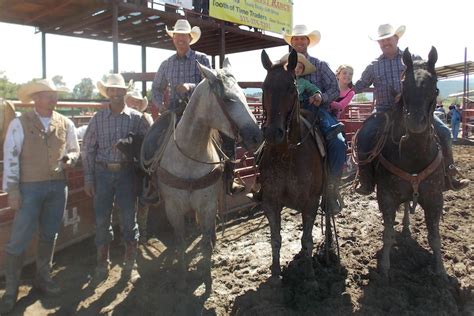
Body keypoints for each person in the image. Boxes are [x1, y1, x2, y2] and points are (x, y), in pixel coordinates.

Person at [352, 24, 469, 194]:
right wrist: (344, 87)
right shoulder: (374, 66)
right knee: (364, 135)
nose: (385, 43)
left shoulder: (415, 60)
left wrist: (407, 96)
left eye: (388, 39)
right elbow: (361, 85)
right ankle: (366, 180)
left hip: (413, 109)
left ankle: (450, 174)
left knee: (443, 132)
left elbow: (424, 82)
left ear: (396, 39)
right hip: (384, 110)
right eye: (381, 41)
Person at [0, 79, 80, 313]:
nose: (53, 99)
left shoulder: (66, 123)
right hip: (29, 188)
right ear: (35, 98)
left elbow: (74, 149)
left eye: (54, 95)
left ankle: (43, 277)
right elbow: (11, 157)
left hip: (57, 187)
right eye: (47, 95)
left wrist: (71, 159)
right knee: (19, 238)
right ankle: (12, 289)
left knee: (49, 234)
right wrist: (12, 191)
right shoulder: (19, 123)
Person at [151, 19, 244, 194]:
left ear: (189, 38)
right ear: (173, 38)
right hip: (174, 112)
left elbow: (211, 84)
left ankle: (229, 179)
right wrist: (161, 106)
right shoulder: (166, 64)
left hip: (202, 112)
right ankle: (152, 181)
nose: (180, 38)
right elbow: (156, 88)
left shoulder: (201, 59)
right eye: (177, 35)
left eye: (183, 35)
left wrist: (190, 86)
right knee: (154, 138)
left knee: (228, 137)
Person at [81, 74, 150, 284]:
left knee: (129, 219)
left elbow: (147, 145)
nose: (115, 93)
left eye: (118, 90)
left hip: (126, 173)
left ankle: (130, 264)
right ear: (107, 93)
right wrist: (88, 178)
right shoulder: (98, 119)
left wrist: (131, 144)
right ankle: (103, 263)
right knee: (102, 219)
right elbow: (87, 149)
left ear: (124, 93)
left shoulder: (137, 118)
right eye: (111, 90)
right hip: (102, 173)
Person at [282, 24, 347, 214]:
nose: (300, 41)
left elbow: (335, 89)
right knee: (268, 139)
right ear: (292, 42)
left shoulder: (320, 65)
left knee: (338, 143)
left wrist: (321, 98)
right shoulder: (283, 66)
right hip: (290, 113)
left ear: (308, 42)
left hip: (318, 112)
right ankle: (265, 184)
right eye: (296, 39)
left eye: (303, 39)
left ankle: (331, 188)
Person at [124, 89, 154, 242]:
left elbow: (152, 139)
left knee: (143, 201)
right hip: (125, 166)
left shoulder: (145, 119)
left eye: (137, 102)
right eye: (131, 100)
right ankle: (131, 234)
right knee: (127, 201)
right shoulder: (121, 119)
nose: (134, 104)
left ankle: (141, 232)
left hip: (141, 166)